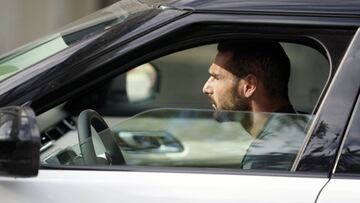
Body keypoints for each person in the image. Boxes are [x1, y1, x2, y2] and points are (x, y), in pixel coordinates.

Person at [202, 40, 309, 170]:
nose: (206, 88)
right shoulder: (298, 132)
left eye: (216, 77)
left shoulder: (271, 154)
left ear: (249, 86)